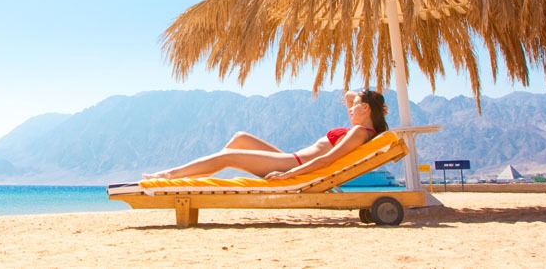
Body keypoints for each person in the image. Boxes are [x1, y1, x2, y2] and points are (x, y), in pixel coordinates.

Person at [142, 89, 389, 181]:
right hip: (291, 157)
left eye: (355, 106)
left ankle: (169, 174)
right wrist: (368, 101)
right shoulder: (364, 128)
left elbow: (327, 160)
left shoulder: (358, 131)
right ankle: (195, 176)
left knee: (227, 156)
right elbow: (348, 94)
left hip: (295, 164)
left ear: (365, 109)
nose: (349, 108)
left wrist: (289, 175)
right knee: (240, 137)